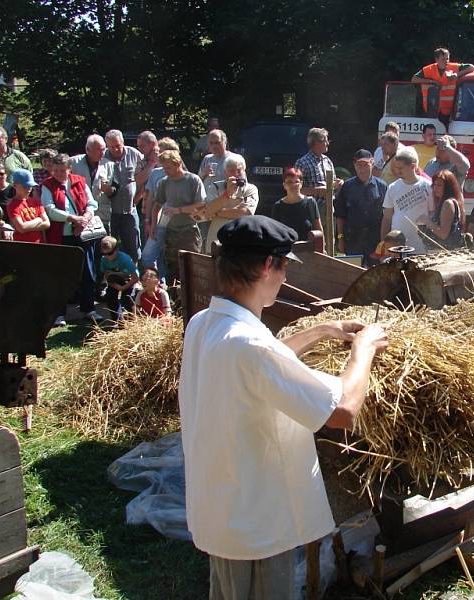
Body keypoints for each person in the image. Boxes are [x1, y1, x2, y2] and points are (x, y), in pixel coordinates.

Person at [178, 216, 387, 600]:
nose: (285, 276)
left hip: (223, 506)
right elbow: (343, 410)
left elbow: (266, 362)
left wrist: (323, 329)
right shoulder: (250, 346)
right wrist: (365, 349)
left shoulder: (204, 323)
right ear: (266, 267)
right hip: (256, 524)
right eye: (285, 266)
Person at [41, 154, 102, 324]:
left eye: (63, 170)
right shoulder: (47, 185)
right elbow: (50, 209)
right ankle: (59, 313)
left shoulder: (79, 181)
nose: (59, 173)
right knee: (61, 274)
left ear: (69, 169)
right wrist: (72, 218)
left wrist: (86, 217)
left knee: (88, 273)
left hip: (83, 233)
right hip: (61, 236)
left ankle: (89, 308)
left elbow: (91, 203)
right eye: (56, 170)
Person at [151, 150, 207, 286]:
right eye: (164, 168)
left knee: (191, 267)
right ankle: (174, 300)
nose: (166, 171)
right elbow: (157, 205)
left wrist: (178, 210)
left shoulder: (193, 180)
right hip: (170, 231)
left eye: (168, 168)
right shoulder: (164, 182)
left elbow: (201, 204)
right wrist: (153, 226)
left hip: (189, 231)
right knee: (172, 268)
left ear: (178, 164)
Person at [335, 149, 387, 264]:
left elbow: (387, 216)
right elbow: (340, 215)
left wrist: (384, 241)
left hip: (375, 241)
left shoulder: (382, 186)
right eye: (359, 165)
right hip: (353, 240)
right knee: (354, 276)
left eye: (366, 164)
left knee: (375, 275)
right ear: (354, 165)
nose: (363, 169)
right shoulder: (347, 187)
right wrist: (340, 238)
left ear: (372, 164)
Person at [142, 137, 183, 280]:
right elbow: (150, 198)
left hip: (179, 224)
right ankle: (159, 283)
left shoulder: (186, 175)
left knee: (174, 259)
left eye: (160, 152)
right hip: (158, 221)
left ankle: (170, 290)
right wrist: (147, 221)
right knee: (148, 257)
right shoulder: (155, 173)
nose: (157, 155)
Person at [380, 146, 433, 254]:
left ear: (413, 166)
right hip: (397, 246)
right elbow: (387, 218)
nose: (398, 171)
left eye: (401, 168)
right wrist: (384, 243)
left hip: (421, 246)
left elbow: (433, 213)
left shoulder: (427, 186)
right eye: (396, 167)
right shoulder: (393, 187)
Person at [203, 153, 259, 253]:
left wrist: (218, 212)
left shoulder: (251, 189)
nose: (236, 174)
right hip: (217, 240)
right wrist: (227, 194)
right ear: (225, 173)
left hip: (241, 241)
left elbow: (245, 212)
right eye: (232, 171)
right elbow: (207, 212)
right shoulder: (215, 187)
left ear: (244, 170)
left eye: (239, 170)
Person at [102, 129, 143, 261]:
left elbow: (144, 179)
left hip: (130, 209)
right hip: (110, 211)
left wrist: (137, 199)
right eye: (111, 147)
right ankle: (112, 274)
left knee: (133, 243)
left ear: (123, 142)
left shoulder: (134, 154)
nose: (115, 149)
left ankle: (134, 274)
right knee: (109, 245)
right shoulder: (102, 158)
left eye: (118, 146)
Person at [411, 47, 474, 124]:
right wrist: (432, 82)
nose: (446, 61)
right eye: (443, 59)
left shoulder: (454, 67)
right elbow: (414, 79)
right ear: (436, 59)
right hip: (432, 110)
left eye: (447, 59)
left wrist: (457, 74)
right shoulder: (428, 69)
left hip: (451, 111)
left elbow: (472, 67)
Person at [70, 134, 115, 233]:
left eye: (103, 149)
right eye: (98, 150)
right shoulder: (73, 163)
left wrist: (109, 189)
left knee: (104, 245)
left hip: (102, 214)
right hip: (80, 214)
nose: (102, 153)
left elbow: (114, 191)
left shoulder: (109, 165)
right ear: (87, 149)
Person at [295, 128, 343, 218]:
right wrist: (316, 191)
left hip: (330, 208)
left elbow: (333, 182)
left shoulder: (327, 161)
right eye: (325, 140)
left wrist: (339, 183)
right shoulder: (302, 163)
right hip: (311, 210)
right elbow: (296, 190)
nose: (328, 143)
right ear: (317, 142)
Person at [272, 167, 322, 242]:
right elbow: (274, 233)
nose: (293, 185)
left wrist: (322, 248)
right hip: (286, 251)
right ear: (284, 185)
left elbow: (319, 229)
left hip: (308, 250)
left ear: (301, 184)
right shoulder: (278, 206)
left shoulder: (310, 203)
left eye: (296, 182)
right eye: (289, 182)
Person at [421, 169, 463, 250]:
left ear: (447, 187)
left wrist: (427, 221)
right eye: (434, 185)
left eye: (439, 185)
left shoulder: (448, 204)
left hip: (444, 252)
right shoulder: (444, 202)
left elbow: (443, 234)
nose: (435, 188)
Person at [99, 236, 139, 319]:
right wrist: (113, 284)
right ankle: (117, 320)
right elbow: (106, 275)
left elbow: (135, 278)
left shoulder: (125, 259)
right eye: (104, 254)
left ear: (116, 249)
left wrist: (123, 288)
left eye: (109, 253)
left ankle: (132, 319)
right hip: (114, 281)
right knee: (110, 297)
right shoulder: (104, 260)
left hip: (129, 280)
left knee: (127, 299)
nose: (107, 257)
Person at [5, 169, 50, 243]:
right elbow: (21, 228)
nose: (29, 189)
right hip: (23, 245)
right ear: (15, 185)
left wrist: (28, 226)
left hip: (40, 244)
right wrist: (38, 220)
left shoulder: (36, 202)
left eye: (30, 186)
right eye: (25, 186)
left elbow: (47, 224)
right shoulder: (12, 205)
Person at [198, 129, 236, 202]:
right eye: (211, 143)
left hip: (223, 202)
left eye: (217, 143)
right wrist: (203, 173)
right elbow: (198, 180)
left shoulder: (233, 159)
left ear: (225, 142)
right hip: (206, 202)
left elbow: (242, 183)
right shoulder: (207, 158)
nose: (214, 146)